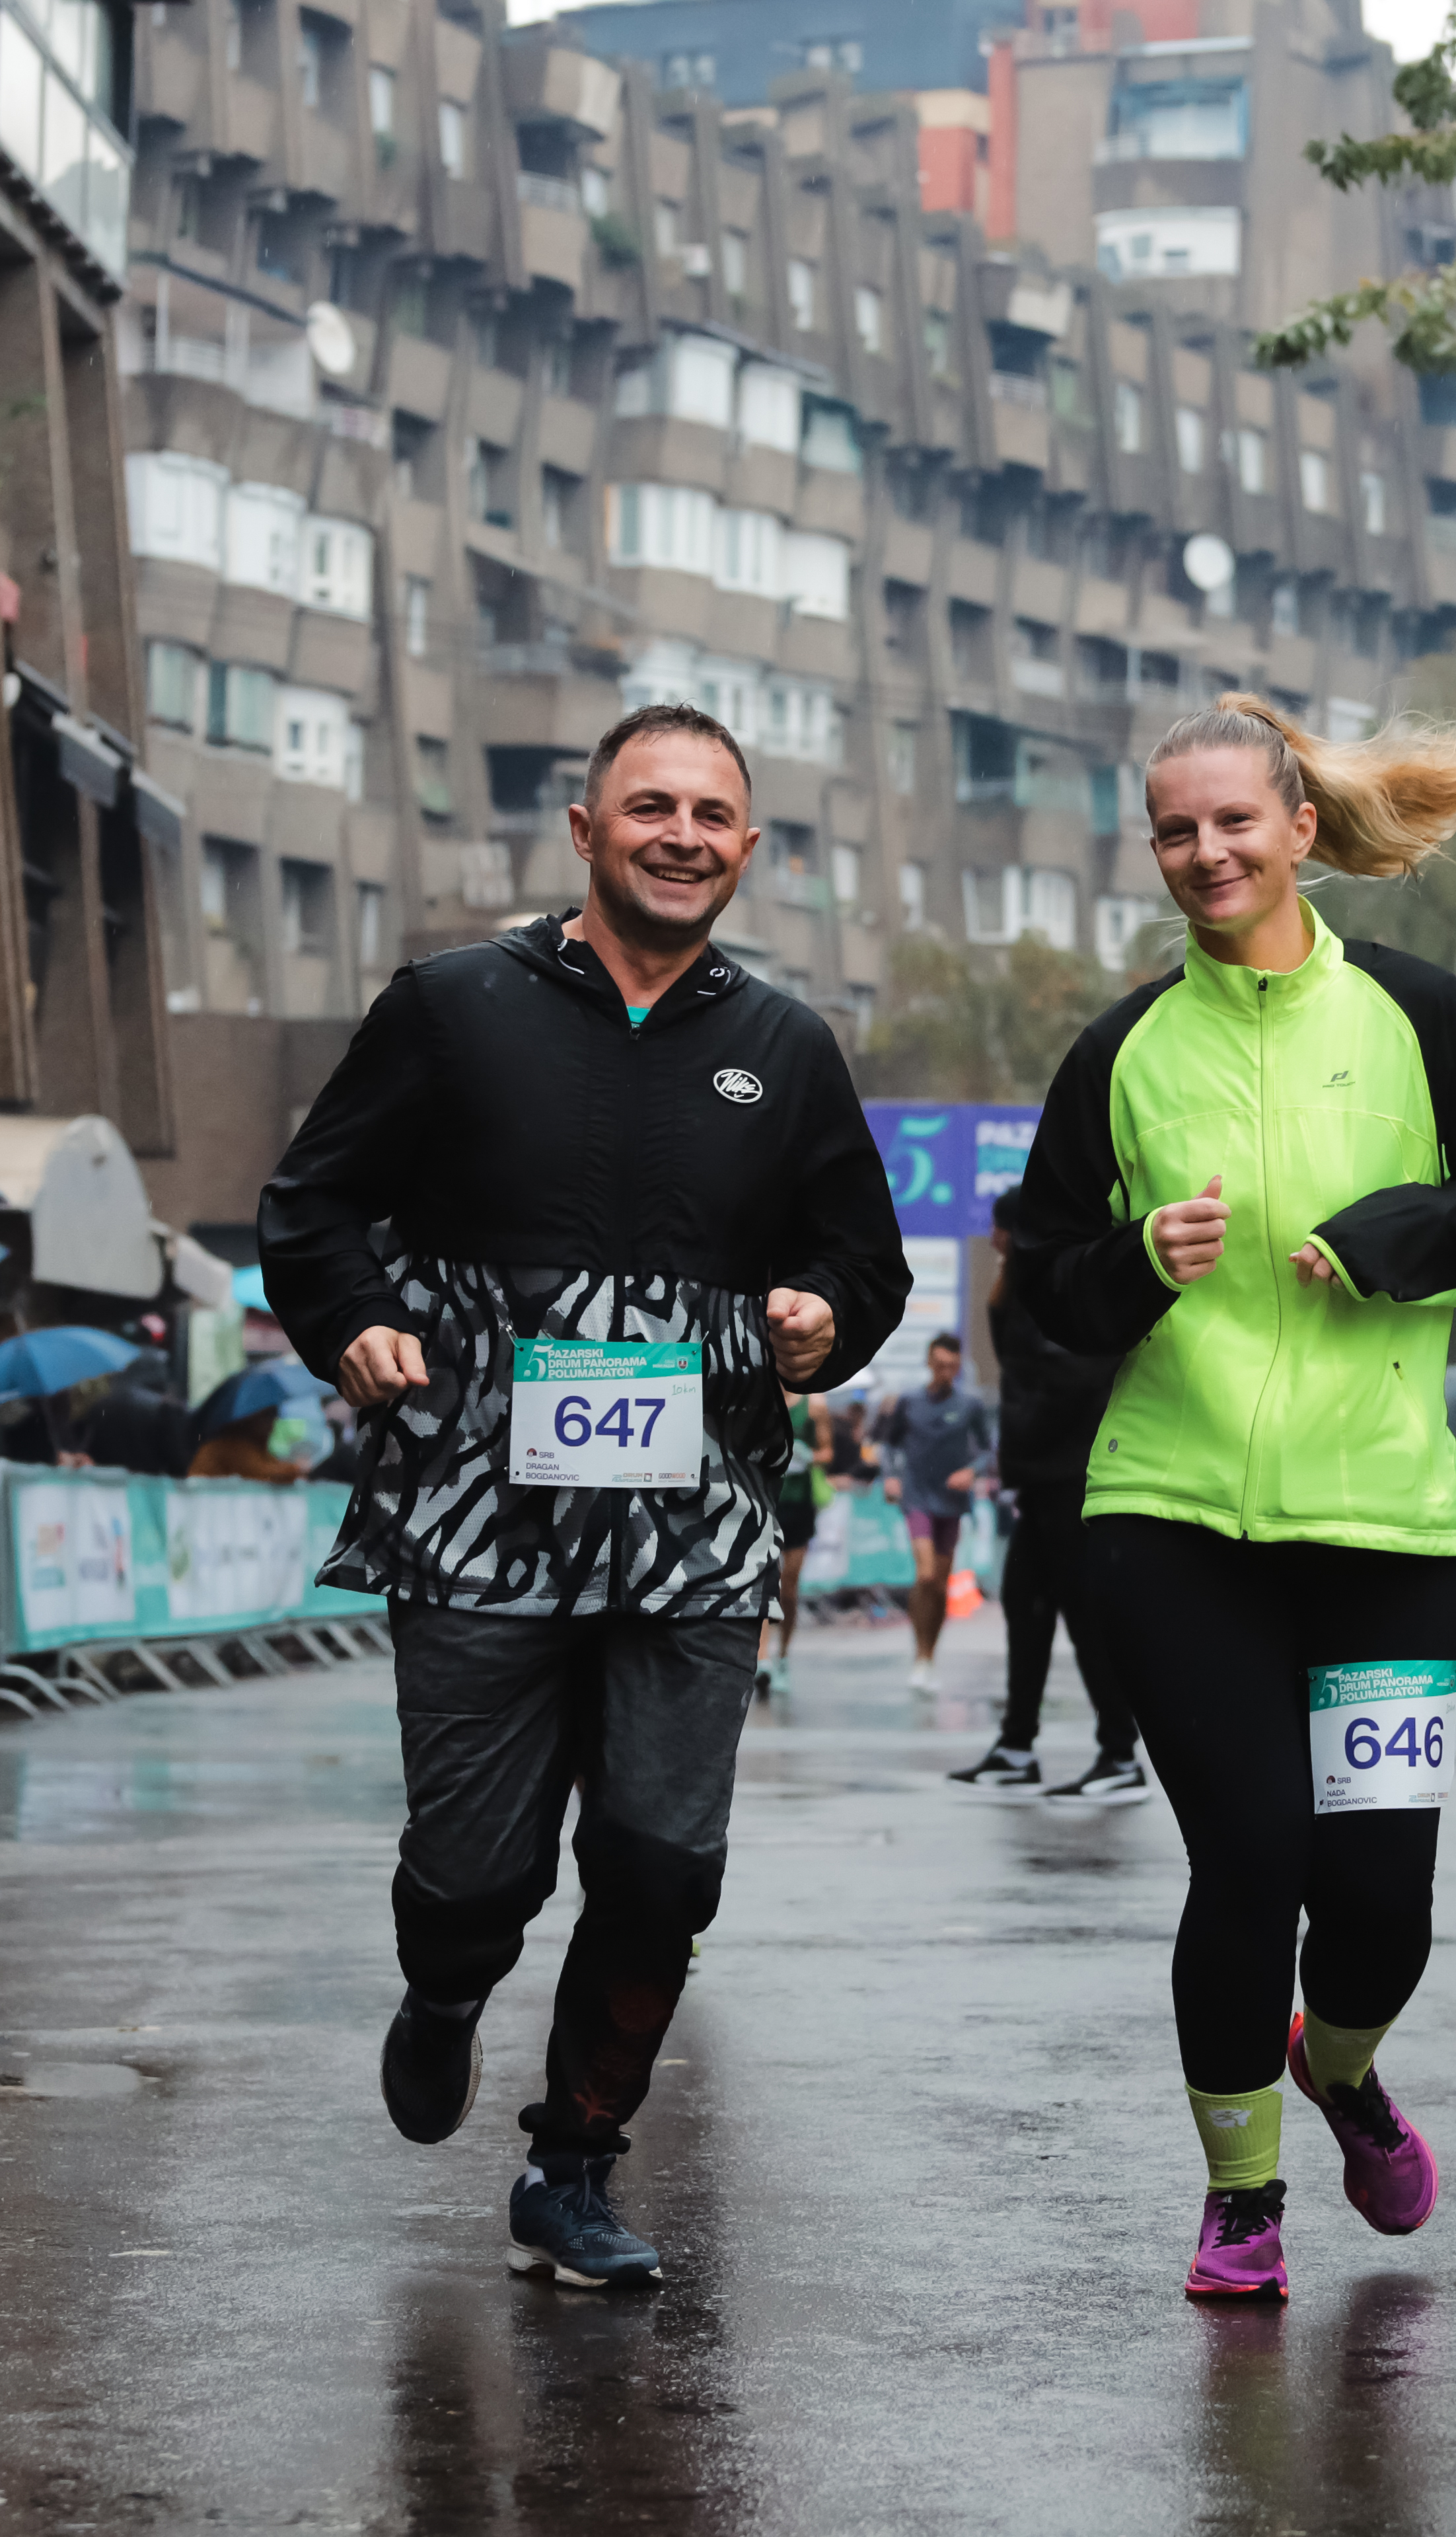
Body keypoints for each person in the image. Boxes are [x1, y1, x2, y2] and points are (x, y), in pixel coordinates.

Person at [258, 701, 907, 2291]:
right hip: (476, 1507)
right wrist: (355, 1322)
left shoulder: (786, 1047)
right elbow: (313, 1203)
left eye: (711, 815)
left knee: (662, 1864)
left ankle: (572, 2164)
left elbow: (863, 1261)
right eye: (650, 806)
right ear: (584, 829)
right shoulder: (453, 1005)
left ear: (746, 849)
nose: (681, 835)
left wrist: (824, 1317)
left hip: (693, 1521)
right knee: (479, 1870)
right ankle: (446, 1984)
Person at [1015, 693, 1456, 2302]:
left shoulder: (1417, 1013)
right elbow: (1045, 1281)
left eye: (1234, 822)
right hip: (1171, 1518)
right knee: (1250, 1860)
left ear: (1300, 829)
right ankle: (1241, 2193)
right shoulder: (1122, 1049)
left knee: (1378, 1897)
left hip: (1384, 1527)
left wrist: (1392, 1237)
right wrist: (1135, 1259)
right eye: (1175, 830)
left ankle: (1341, 2062)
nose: (1206, 853)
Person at [948, 1187, 1147, 1806]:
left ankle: (1121, 1755)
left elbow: (1066, 1378)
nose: (992, 1240)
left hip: (1069, 1477)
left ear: (1013, 1233)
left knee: (1085, 1617)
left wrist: (1025, 1445)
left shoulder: (1060, 1290)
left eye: (998, 1230)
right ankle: (1017, 1748)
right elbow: (1014, 1358)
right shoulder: (1025, 1289)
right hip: (1039, 1478)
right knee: (1025, 1606)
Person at [876, 1332, 992, 1692]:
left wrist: (972, 1471)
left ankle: (929, 1655)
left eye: (952, 1367)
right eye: (940, 1365)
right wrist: (891, 1477)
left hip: (952, 1502)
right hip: (917, 1497)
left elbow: (988, 1450)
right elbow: (888, 1445)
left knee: (941, 1585)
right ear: (929, 1362)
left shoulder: (970, 1405)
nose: (945, 1372)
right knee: (925, 1575)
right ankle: (918, 1655)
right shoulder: (909, 1402)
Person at [756, 1385, 832, 1697]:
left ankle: (784, 1655)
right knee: (764, 1581)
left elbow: (828, 1452)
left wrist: (808, 1456)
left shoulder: (814, 1406)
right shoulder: (760, 1398)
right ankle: (762, 1658)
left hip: (799, 1504)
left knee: (789, 1587)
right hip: (766, 1501)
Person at [188, 1402, 307, 1484]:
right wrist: (296, 1468)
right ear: (253, 1417)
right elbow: (261, 1473)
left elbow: (270, 1464)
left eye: (275, 1414)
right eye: (268, 1415)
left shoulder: (256, 1446)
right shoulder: (231, 1446)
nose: (273, 1423)